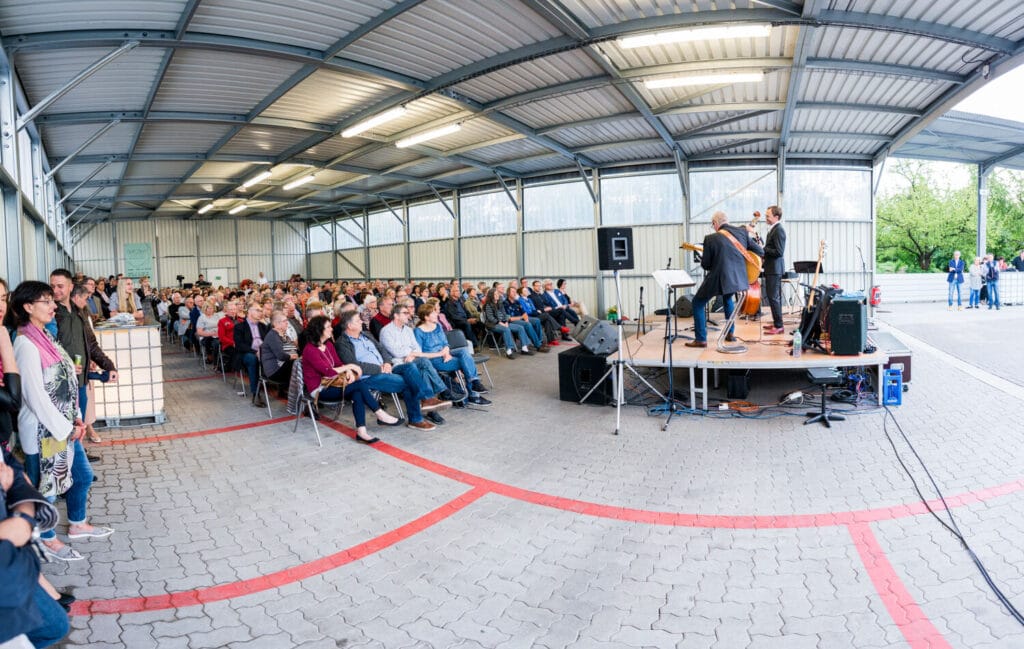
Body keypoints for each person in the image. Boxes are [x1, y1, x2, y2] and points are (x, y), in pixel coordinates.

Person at [11, 281, 114, 562]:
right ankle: (47, 539)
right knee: (47, 488)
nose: (53, 305)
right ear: (28, 307)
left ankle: (78, 524)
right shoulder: (25, 342)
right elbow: (34, 395)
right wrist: (65, 427)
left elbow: (64, 378)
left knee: (81, 476)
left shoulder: (45, 335)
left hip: (66, 426)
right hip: (45, 431)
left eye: (51, 300)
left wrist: (77, 419)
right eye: (46, 301)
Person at [300, 316, 401, 444]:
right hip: (320, 389)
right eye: (328, 327)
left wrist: (347, 370)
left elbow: (337, 363)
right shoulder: (310, 350)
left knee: (357, 391)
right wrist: (351, 366)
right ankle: (380, 413)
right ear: (319, 330)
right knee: (359, 385)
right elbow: (328, 371)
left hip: (335, 383)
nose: (332, 329)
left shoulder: (329, 345)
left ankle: (362, 432)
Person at [334, 310, 439, 431]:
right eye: (358, 320)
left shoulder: (366, 334)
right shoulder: (342, 343)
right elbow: (354, 365)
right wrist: (380, 369)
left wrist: (387, 363)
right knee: (409, 383)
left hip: (385, 370)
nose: (362, 321)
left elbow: (382, 349)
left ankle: (426, 399)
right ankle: (417, 418)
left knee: (410, 367)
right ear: (349, 325)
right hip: (368, 377)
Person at [685, 211, 764, 348]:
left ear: (715, 223)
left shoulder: (710, 238)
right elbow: (760, 251)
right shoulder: (742, 233)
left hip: (718, 278)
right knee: (727, 299)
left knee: (697, 302)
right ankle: (730, 333)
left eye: (713, 225)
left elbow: (706, 265)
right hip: (739, 279)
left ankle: (701, 339)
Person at [414, 303, 491, 406]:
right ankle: (473, 393)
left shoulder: (437, 326)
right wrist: (440, 354)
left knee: (464, 351)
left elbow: (445, 343)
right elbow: (419, 354)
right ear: (426, 317)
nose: (436, 314)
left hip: (445, 354)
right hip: (434, 359)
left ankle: (474, 383)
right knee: (467, 362)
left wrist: (446, 352)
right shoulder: (418, 331)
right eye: (433, 313)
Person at [234, 304, 269, 406]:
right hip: (247, 353)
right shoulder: (239, 327)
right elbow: (240, 345)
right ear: (249, 312)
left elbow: (268, 341)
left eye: (261, 310)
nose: (260, 312)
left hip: (263, 352)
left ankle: (280, 387)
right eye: (257, 310)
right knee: (252, 359)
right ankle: (256, 393)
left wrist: (263, 351)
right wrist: (255, 352)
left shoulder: (263, 326)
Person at [760, 205, 787, 334]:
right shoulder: (773, 229)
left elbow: (779, 252)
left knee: (773, 297)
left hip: (775, 269)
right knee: (773, 297)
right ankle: (777, 323)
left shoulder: (779, 230)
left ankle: (779, 326)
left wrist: (763, 248)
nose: (766, 218)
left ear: (776, 217)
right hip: (771, 268)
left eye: (768, 216)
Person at [260, 311, 298, 397]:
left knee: (301, 365)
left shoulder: (285, 335)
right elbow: (281, 356)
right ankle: (303, 398)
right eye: (285, 321)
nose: (287, 323)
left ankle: (302, 397)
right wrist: (292, 356)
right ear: (276, 324)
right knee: (297, 365)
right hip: (274, 371)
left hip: (283, 367)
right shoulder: (273, 336)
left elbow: (294, 349)